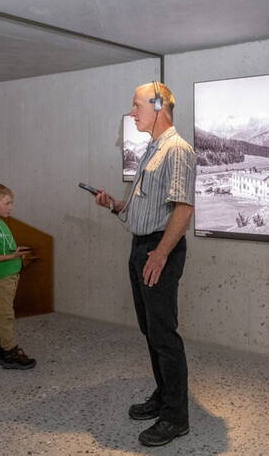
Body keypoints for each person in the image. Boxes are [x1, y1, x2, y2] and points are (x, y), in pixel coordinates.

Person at [94, 81, 196, 447]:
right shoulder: (152, 149)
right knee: (151, 331)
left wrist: (161, 253)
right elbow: (146, 204)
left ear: (158, 105)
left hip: (158, 250)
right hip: (143, 247)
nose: (132, 113)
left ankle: (176, 417)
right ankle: (164, 395)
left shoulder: (177, 150)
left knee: (164, 335)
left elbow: (183, 208)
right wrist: (116, 205)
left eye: (136, 106)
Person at [0, 183, 36, 370]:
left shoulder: (1, 223)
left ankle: (2, 351)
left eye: (11, 203)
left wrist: (14, 252)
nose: (11, 207)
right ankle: (10, 351)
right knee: (6, 315)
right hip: (1, 277)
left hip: (9, 275)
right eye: (7, 203)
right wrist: (12, 256)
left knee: (1, 314)